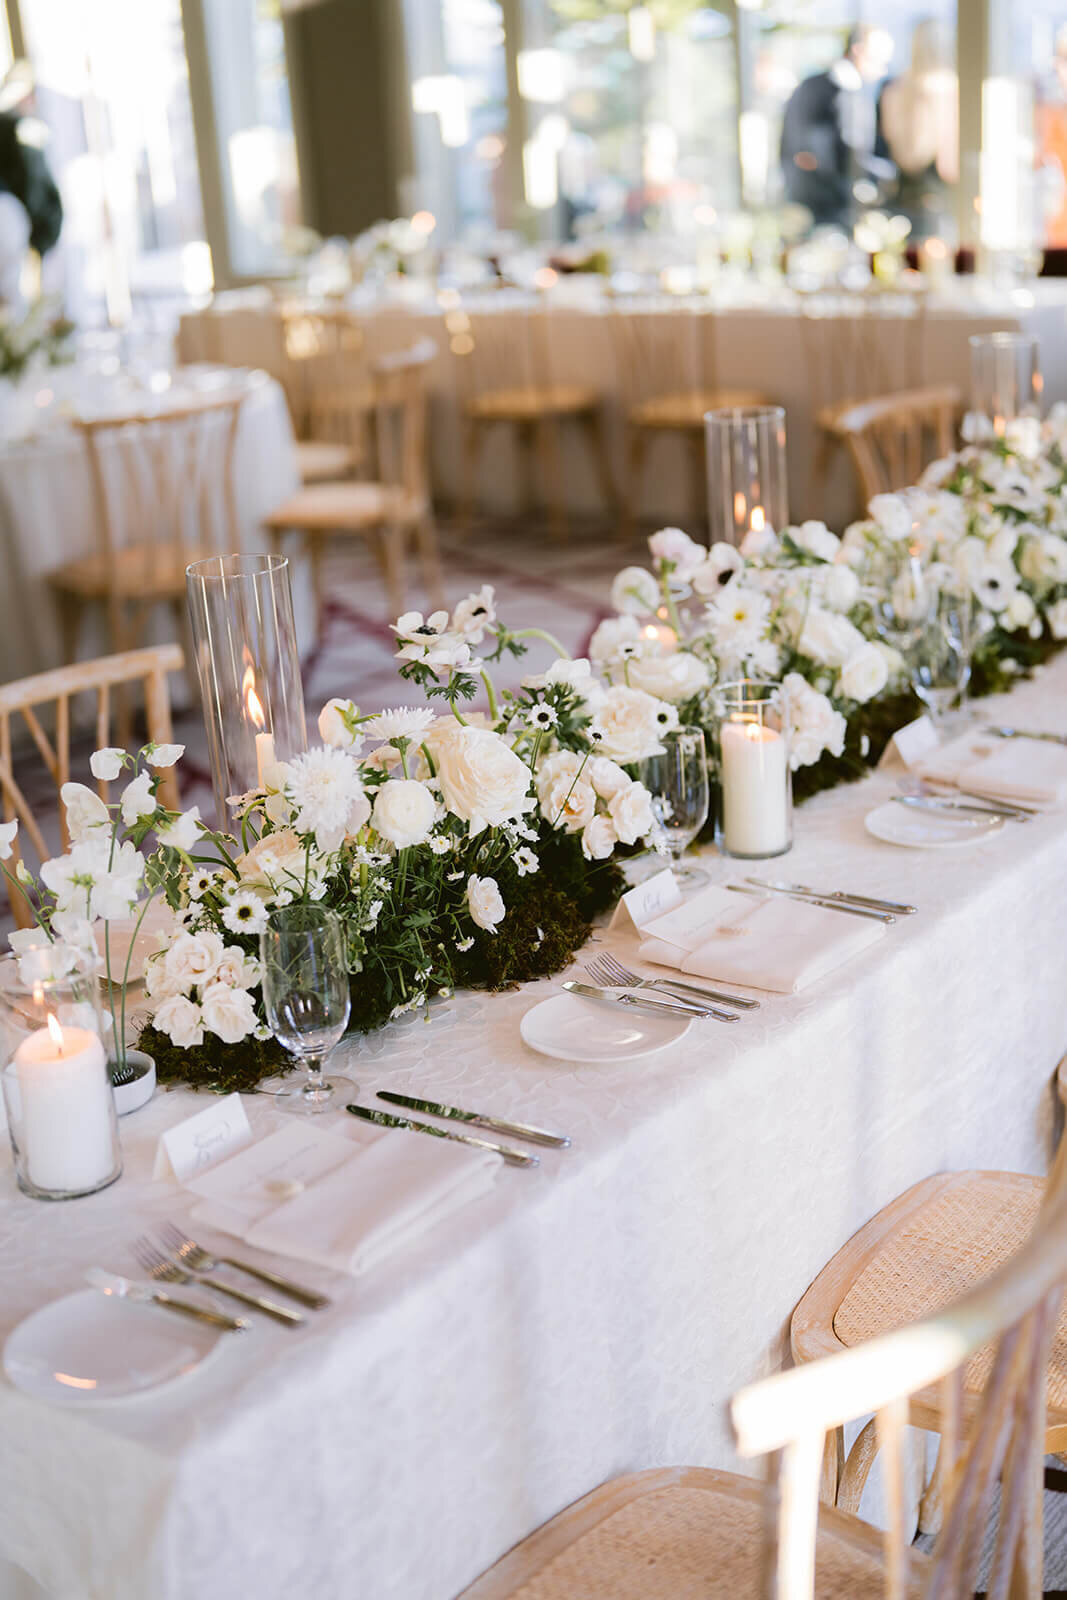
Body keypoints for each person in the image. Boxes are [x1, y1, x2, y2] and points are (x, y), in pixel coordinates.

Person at [780, 24, 894, 229]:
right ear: (858, 51)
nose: (883, 68)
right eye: (880, 59)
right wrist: (884, 175)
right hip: (824, 209)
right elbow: (832, 153)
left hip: (826, 204)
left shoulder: (832, 88)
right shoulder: (829, 92)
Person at [878, 20, 958, 238]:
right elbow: (945, 155)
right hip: (933, 189)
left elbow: (890, 135)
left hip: (904, 189)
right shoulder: (946, 87)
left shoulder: (895, 88)